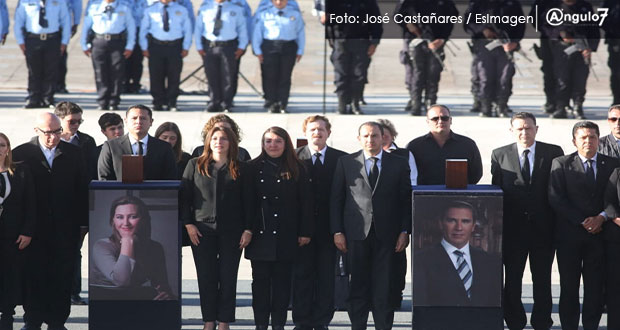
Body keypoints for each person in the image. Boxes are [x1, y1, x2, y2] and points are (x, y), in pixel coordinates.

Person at [330, 122, 411, 329]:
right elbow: (337, 199)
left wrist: (404, 230)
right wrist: (337, 231)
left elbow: (405, 201)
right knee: (357, 286)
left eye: (374, 136)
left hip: (388, 236)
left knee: (384, 288)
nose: (370, 140)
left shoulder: (399, 163)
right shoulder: (346, 162)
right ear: (359, 139)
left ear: (383, 138)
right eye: (365, 136)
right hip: (356, 235)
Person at [12, 112, 88, 330]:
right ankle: (33, 319)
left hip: (66, 227)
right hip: (33, 228)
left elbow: (82, 190)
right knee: (33, 274)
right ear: (36, 131)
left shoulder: (74, 153)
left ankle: (57, 320)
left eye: (57, 132)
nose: (53, 137)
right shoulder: (22, 154)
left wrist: (83, 225)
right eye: (48, 133)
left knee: (63, 275)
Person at [491, 112, 564, 330]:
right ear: (512, 130)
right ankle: (514, 321)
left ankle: (542, 321)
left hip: (544, 229)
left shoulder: (552, 152)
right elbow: (497, 193)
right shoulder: (500, 154)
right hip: (513, 231)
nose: (524, 132)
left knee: (542, 279)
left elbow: (558, 189)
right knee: (512, 279)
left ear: (536, 129)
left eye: (528, 128)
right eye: (520, 128)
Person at [181, 126, 254, 330]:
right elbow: (185, 197)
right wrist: (188, 225)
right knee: (206, 276)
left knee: (228, 277)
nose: (218, 142)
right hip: (201, 230)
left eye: (223, 139)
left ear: (231, 143)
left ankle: (224, 322)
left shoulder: (242, 168)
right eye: (214, 138)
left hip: (233, 231)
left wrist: (248, 229)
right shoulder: (194, 165)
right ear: (208, 141)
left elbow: (249, 201)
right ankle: (208, 321)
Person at [548, 121, 619, 330]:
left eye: (593, 137)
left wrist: (602, 217)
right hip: (569, 236)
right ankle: (569, 325)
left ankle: (591, 325)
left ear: (599, 139)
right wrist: (582, 221)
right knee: (569, 286)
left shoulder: (612, 164)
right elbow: (556, 198)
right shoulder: (561, 163)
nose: (588, 141)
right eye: (583, 137)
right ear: (574, 141)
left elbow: (615, 197)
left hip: (600, 235)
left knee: (595, 287)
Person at [244, 127, 313, 330]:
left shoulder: (298, 167)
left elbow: (306, 203)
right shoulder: (251, 167)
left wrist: (305, 231)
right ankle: (261, 325)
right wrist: (247, 229)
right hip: (259, 235)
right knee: (260, 286)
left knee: (283, 287)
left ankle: (278, 326)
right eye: (268, 141)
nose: (272, 145)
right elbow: (247, 203)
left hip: (287, 234)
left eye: (278, 141)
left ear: (286, 144)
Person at [292, 116, 346, 330]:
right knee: (302, 276)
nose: (317, 133)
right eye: (313, 129)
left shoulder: (341, 159)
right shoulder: (294, 158)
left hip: (329, 230)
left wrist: (339, 229)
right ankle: (302, 321)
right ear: (305, 133)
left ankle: (322, 320)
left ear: (328, 133)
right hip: (300, 230)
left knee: (326, 278)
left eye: (321, 129)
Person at [413, 200, 502, 307]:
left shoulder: (490, 262)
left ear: (473, 226)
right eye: (452, 221)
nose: (459, 228)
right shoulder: (422, 260)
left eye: (465, 221)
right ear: (441, 224)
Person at [90, 195, 175, 300]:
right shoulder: (102, 246)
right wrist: (127, 241)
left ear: (143, 220)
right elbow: (122, 281)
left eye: (133, 217)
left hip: (134, 298)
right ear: (113, 221)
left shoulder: (155, 248)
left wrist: (165, 295)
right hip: (105, 300)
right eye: (120, 217)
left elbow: (162, 285)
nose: (126, 223)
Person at [53, 102, 96, 306]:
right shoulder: (47, 141)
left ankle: (73, 291)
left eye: (79, 121)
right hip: (51, 208)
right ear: (59, 120)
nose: (76, 125)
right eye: (72, 121)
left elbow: (89, 177)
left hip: (76, 207)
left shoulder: (87, 142)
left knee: (74, 251)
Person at [375, 118, 417, 310]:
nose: (381, 138)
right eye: (376, 135)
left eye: (384, 135)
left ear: (392, 136)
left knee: (397, 258)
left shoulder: (404, 155)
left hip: (397, 213)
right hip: (371, 219)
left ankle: (395, 294)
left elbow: (412, 183)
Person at [395, 0, 457, 115]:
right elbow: (398, 15)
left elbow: (452, 17)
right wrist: (408, 24)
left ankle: (431, 103)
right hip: (415, 40)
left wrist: (442, 38)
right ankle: (416, 103)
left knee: (433, 73)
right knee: (417, 73)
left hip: (436, 40)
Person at [464, 0, 525, 117]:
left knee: (504, 78)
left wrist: (514, 42)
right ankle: (485, 107)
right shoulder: (477, 4)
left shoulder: (511, 3)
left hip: (506, 46)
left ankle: (502, 106)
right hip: (484, 45)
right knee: (485, 78)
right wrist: (483, 29)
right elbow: (468, 24)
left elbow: (520, 25)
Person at [0, 133, 36, 330]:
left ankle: (7, 317)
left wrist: (27, 231)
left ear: (8, 149)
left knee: (11, 277)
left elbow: (31, 204)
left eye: (2, 145)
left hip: (13, 236)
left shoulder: (21, 172)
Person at [541, 0, 600, 119]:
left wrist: (590, 47)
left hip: (582, 49)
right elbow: (545, 26)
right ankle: (561, 107)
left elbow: (594, 30)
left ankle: (578, 107)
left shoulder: (584, 6)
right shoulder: (553, 6)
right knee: (562, 79)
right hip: (562, 49)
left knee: (580, 80)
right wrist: (560, 34)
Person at [326, 0, 382, 114]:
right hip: (341, 42)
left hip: (361, 41)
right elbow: (328, 20)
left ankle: (355, 104)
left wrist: (374, 42)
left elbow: (376, 21)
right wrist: (330, 37)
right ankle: (342, 104)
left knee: (359, 75)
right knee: (341, 75)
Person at [406, 104, 483, 185]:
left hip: (458, 194)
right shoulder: (415, 146)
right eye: (435, 119)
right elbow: (407, 173)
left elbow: (476, 174)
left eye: (444, 118)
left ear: (451, 120)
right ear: (428, 122)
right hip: (424, 194)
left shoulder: (467, 145)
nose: (440, 121)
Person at [14, 0, 71, 108]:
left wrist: (64, 42)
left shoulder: (59, 2)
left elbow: (66, 21)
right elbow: (18, 22)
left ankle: (48, 99)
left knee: (51, 70)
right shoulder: (25, 2)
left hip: (52, 39)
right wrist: (20, 41)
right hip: (33, 39)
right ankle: (33, 98)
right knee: (33, 71)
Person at [81, 0, 136, 111]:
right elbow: (86, 27)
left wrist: (130, 45)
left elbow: (131, 28)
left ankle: (114, 101)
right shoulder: (94, 7)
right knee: (100, 72)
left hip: (117, 42)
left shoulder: (124, 8)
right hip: (99, 41)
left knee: (117, 72)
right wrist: (84, 44)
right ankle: (102, 100)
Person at [98, 104, 177, 180]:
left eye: (143, 118)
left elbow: (170, 177)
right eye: (134, 118)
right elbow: (104, 177)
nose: (138, 122)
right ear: (126, 121)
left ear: (151, 122)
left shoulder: (164, 147)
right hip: (119, 193)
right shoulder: (111, 146)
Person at [195, 0, 248, 113]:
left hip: (228, 46)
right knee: (211, 75)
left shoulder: (236, 9)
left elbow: (242, 29)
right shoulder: (205, 8)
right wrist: (199, 46)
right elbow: (199, 29)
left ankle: (226, 103)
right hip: (210, 46)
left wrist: (242, 47)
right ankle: (214, 101)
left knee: (228, 76)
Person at [252, 0, 305, 114]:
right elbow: (257, 33)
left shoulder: (294, 14)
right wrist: (257, 50)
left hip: (288, 46)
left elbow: (300, 33)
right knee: (269, 76)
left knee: (285, 76)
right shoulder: (264, 14)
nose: (279, 2)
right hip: (270, 46)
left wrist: (300, 50)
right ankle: (271, 102)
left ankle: (282, 103)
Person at [139, 0, 193, 111]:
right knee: (156, 75)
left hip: (175, 46)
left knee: (174, 75)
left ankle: (172, 102)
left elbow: (187, 30)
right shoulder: (150, 10)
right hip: (156, 46)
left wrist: (186, 47)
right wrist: (144, 47)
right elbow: (143, 30)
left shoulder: (181, 10)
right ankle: (157, 101)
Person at [530, 0, 557, 114]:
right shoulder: (543, 2)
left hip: (572, 42)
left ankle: (565, 103)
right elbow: (533, 18)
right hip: (549, 41)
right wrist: (549, 31)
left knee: (570, 75)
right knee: (549, 73)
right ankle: (551, 102)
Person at [604, 162, 620, 330]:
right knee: (616, 289)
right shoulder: (617, 173)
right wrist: (617, 219)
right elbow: (609, 203)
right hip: (617, 240)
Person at [55, 0, 82, 94]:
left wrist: (76, 22)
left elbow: (76, 4)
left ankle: (59, 85)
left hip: (61, 25)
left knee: (60, 57)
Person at [91, 112, 125, 179]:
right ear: (103, 132)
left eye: (120, 127)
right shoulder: (96, 153)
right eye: (112, 129)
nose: (117, 131)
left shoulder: (132, 147)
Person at [603, 0, 620, 106]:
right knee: (616, 74)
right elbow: (603, 20)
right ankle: (617, 100)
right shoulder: (611, 3)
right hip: (616, 43)